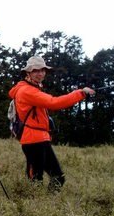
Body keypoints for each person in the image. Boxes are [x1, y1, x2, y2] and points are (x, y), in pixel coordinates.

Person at [8, 56, 95, 192]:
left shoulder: (32, 88)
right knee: (37, 180)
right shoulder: (27, 91)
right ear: (28, 73)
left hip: (40, 138)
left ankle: (44, 206)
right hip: (32, 140)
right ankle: (32, 209)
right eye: (36, 70)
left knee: (57, 178)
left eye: (43, 70)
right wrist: (81, 93)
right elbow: (54, 103)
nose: (41, 73)